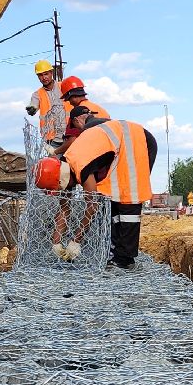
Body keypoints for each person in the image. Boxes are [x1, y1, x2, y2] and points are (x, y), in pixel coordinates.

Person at [61, 111, 158, 268]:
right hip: (122, 148)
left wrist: (76, 240)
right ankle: (117, 252)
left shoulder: (80, 166)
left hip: (137, 141)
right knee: (112, 199)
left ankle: (125, 259)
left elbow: (92, 206)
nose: (72, 188)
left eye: (68, 186)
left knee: (128, 201)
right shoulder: (68, 158)